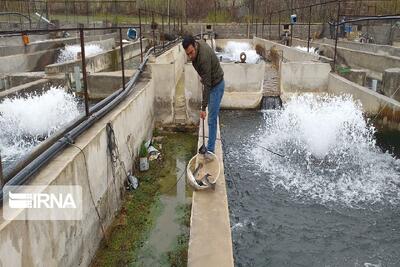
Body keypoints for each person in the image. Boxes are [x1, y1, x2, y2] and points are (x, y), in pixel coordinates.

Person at [182, 35, 224, 158]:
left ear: (195, 45)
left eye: (191, 53)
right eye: (187, 54)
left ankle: (210, 151)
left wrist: (203, 107)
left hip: (216, 86)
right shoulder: (197, 46)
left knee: (211, 118)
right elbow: (205, 78)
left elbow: (208, 84)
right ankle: (209, 148)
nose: (190, 56)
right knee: (211, 117)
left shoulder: (203, 58)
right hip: (211, 81)